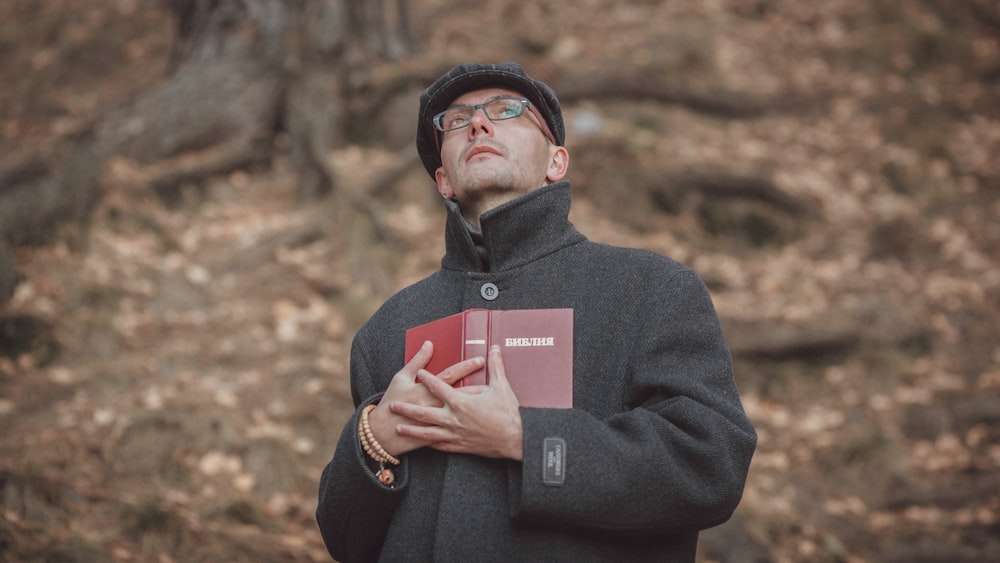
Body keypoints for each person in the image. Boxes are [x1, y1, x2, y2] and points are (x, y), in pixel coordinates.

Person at [316, 61, 756, 562]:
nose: (477, 124)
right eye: (456, 122)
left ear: (556, 163)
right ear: (444, 181)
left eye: (505, 111)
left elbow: (710, 465)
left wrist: (528, 438)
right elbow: (346, 540)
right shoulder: (387, 328)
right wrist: (376, 441)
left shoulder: (652, 289)